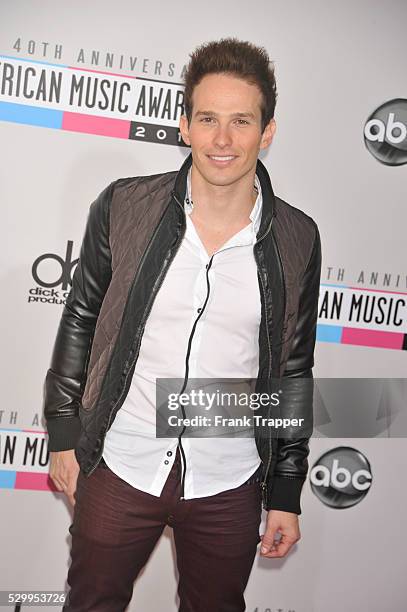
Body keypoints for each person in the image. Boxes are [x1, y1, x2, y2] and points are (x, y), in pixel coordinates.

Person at [43, 37, 322, 612]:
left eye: (241, 121)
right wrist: (66, 435)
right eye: (208, 119)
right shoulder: (124, 207)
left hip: (228, 477)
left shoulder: (298, 238)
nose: (223, 139)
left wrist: (287, 491)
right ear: (184, 126)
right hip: (122, 462)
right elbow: (81, 320)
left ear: (267, 132)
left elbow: (294, 369)